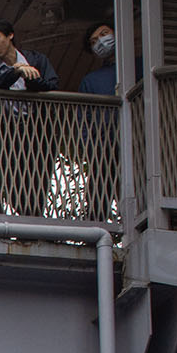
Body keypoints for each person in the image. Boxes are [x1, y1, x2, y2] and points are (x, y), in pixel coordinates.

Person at [0, 20, 60, 218]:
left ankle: (32, 225)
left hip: (35, 131)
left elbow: (52, 84)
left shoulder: (37, 59)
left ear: (10, 35)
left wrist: (29, 76)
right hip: (4, 132)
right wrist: (15, 72)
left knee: (33, 182)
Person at [75, 23, 121, 221]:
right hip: (105, 147)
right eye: (94, 41)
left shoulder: (141, 64)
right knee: (98, 193)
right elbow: (83, 121)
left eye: (104, 34)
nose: (101, 42)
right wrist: (91, 149)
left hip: (139, 142)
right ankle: (96, 230)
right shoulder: (91, 80)